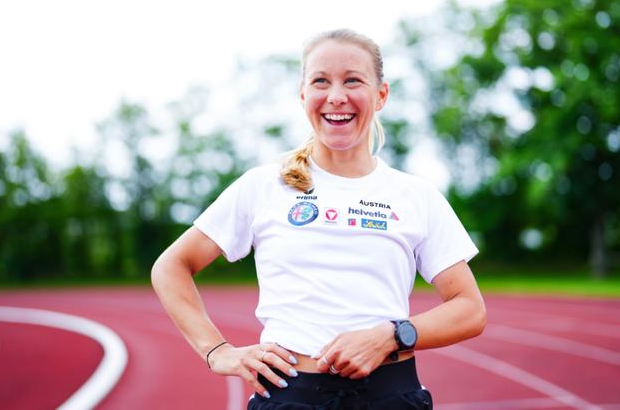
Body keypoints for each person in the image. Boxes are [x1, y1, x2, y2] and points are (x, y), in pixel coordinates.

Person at [151, 28, 487, 410]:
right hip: (290, 397)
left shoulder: (415, 196)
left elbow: (470, 309)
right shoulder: (264, 185)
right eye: (321, 81)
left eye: (353, 80)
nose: (336, 96)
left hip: (390, 397)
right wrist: (217, 351)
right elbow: (171, 266)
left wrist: (392, 335)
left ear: (381, 96)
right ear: (303, 96)